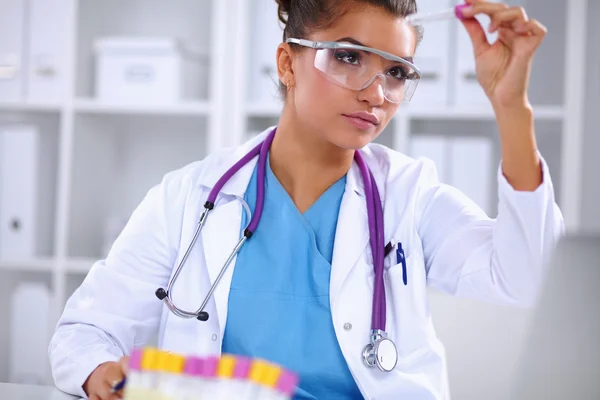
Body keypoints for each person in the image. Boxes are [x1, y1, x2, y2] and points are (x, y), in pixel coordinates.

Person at [49, 0, 564, 399]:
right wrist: (105, 375)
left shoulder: (409, 196)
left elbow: (526, 279)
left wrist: (510, 108)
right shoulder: (189, 198)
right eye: (348, 57)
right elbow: (85, 332)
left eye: (396, 72)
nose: (376, 93)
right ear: (287, 63)